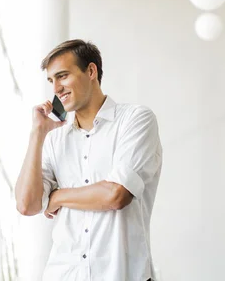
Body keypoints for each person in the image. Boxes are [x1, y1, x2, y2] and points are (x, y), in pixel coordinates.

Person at [15, 39, 163, 281]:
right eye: (51, 81)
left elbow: (115, 195)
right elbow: (27, 204)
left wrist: (56, 196)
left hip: (123, 275)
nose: (56, 88)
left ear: (91, 71)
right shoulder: (54, 140)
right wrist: (37, 134)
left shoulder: (135, 120)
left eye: (62, 76)